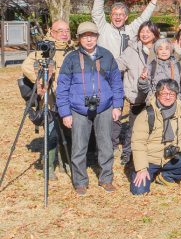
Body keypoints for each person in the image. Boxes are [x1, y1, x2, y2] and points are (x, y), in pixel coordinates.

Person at [56, 22, 124, 196]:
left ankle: (106, 178)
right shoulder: (71, 58)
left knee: (106, 144)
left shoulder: (107, 56)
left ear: (97, 37)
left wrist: (117, 105)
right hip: (78, 108)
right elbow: (62, 87)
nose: (89, 39)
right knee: (79, 146)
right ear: (79, 38)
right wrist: (65, 112)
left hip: (104, 107)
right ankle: (80, 181)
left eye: (92, 35)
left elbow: (116, 83)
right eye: (85, 36)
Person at [21, 20, 74, 179]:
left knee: (69, 133)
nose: (64, 34)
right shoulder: (44, 49)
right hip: (50, 102)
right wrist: (40, 82)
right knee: (51, 134)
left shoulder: (73, 50)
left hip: (70, 102)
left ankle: (67, 163)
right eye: (60, 30)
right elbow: (26, 66)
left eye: (67, 30)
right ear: (52, 32)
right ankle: (49, 166)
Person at [129, 80, 181, 195]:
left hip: (171, 157)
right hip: (150, 160)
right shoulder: (146, 115)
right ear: (157, 94)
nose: (168, 97)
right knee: (139, 191)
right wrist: (141, 169)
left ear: (176, 95)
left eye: (171, 94)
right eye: (164, 94)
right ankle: (145, 173)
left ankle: (165, 177)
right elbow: (138, 143)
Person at [91, 0, 163, 59]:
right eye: (115, 14)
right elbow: (97, 12)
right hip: (105, 70)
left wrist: (154, 0)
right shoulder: (103, 28)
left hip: (125, 71)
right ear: (110, 16)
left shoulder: (130, 30)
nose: (118, 17)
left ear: (126, 17)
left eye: (121, 14)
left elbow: (143, 19)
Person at [116, 21, 160, 165]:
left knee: (154, 128)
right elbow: (118, 64)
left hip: (155, 96)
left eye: (148, 31)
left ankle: (151, 155)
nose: (145, 34)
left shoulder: (160, 48)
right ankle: (128, 154)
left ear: (155, 34)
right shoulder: (131, 49)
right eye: (142, 31)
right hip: (137, 96)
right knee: (133, 127)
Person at [138, 38, 181, 103]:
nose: (164, 52)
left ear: (171, 50)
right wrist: (143, 80)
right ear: (156, 51)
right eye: (160, 49)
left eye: (167, 49)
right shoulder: (151, 66)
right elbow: (145, 90)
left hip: (174, 102)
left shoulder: (178, 65)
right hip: (155, 102)